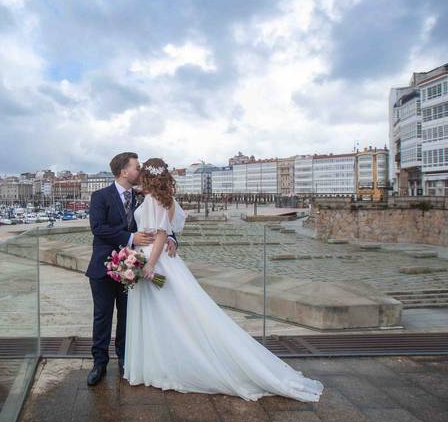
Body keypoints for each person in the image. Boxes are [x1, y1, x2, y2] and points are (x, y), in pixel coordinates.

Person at [123, 157, 324, 403]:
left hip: (156, 261)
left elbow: (163, 234)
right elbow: (173, 229)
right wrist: (164, 244)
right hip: (165, 260)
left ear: (149, 176)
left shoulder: (154, 200)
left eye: (143, 172)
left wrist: (150, 264)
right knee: (172, 313)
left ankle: (162, 364)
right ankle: (165, 362)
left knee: (164, 314)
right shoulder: (167, 200)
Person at [84, 152, 179, 386]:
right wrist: (130, 236)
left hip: (133, 268)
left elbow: (161, 223)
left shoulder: (143, 197)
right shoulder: (100, 196)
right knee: (102, 316)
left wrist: (173, 239)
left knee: (128, 317)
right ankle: (99, 363)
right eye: (137, 167)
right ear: (124, 172)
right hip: (103, 266)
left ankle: (126, 359)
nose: (141, 171)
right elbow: (98, 228)